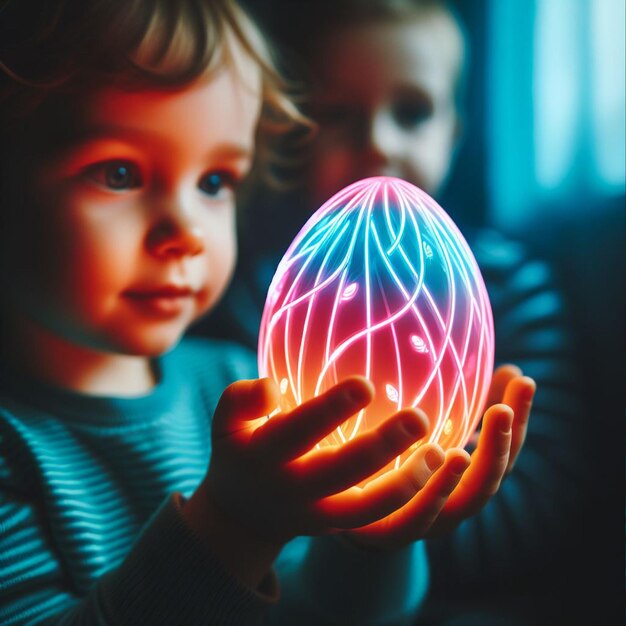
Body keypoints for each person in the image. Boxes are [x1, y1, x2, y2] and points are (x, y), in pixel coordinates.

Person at [0, 0, 537, 624]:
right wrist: (232, 528)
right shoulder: (13, 453)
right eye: (119, 173)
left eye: (214, 182)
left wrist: (367, 537)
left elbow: (315, 615)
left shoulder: (247, 388)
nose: (186, 232)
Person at [198, 0, 587, 624]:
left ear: (455, 133)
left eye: (412, 112)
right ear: (296, 133)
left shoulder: (505, 285)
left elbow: (539, 511)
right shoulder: (265, 298)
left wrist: (395, 519)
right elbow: (247, 502)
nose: (379, 142)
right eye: (338, 115)